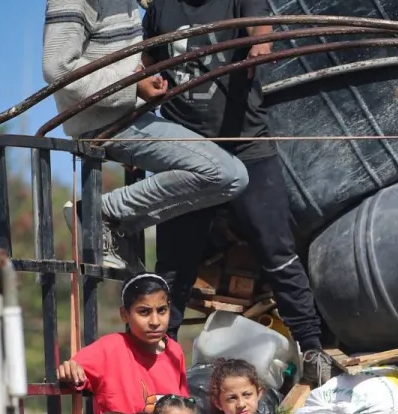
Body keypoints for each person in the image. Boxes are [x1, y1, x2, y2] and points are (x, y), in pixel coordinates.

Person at [142, 0, 336, 386]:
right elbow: (148, 62)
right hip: (186, 150)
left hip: (245, 142)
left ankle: (312, 348)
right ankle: (159, 364)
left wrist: (259, 46)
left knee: (276, 248)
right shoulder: (160, 8)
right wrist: (147, 84)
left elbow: (260, 29)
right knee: (174, 263)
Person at [42, 0, 248, 271]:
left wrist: (140, 87)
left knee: (228, 176)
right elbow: (57, 68)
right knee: (226, 174)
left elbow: (117, 59)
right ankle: (97, 212)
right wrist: (133, 87)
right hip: (109, 122)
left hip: (128, 117)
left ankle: (114, 223)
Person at [58, 274, 190, 414]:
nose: (155, 321)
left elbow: (184, 409)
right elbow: (70, 370)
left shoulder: (175, 351)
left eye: (162, 310)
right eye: (144, 312)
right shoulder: (109, 348)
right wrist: (69, 370)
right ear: (124, 314)